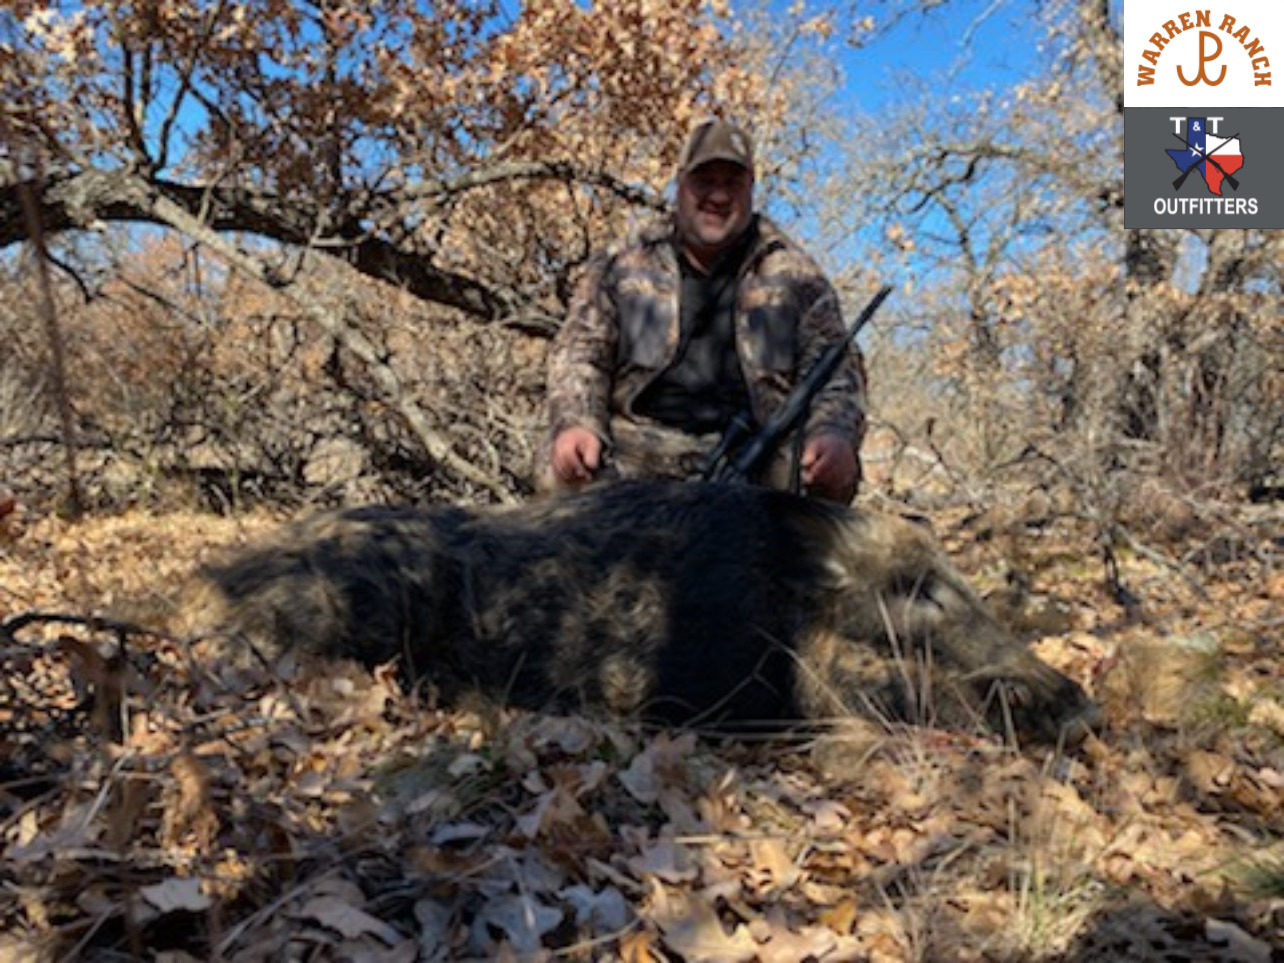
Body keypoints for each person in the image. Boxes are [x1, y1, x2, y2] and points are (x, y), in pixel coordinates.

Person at [545, 118, 867, 503]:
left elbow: (837, 370)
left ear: (751, 187)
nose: (718, 195)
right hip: (636, 448)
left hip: (756, 459)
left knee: (832, 475)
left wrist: (832, 432)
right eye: (704, 180)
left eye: (732, 183)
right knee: (559, 468)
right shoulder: (623, 260)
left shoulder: (797, 276)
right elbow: (580, 352)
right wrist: (577, 423)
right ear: (680, 183)